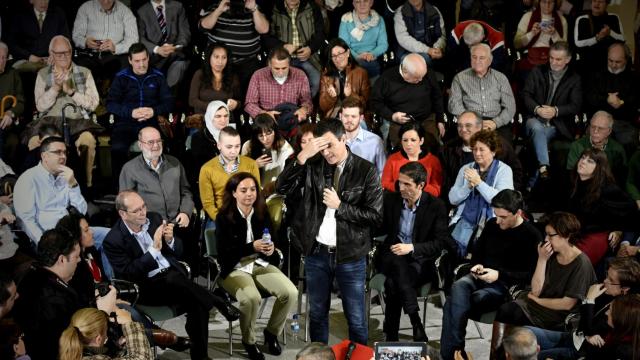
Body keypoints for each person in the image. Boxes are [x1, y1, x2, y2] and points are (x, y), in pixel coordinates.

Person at [276, 118, 383, 344]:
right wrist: (302, 156)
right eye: (322, 148)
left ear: (344, 139)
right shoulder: (313, 165)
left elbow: (375, 217)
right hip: (317, 253)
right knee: (316, 315)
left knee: (355, 319)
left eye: (331, 145)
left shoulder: (366, 170)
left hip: (351, 255)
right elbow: (281, 187)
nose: (327, 153)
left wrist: (340, 207)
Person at [103, 190, 240, 360]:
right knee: (174, 279)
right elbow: (130, 273)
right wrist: (153, 251)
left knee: (196, 302)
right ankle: (217, 301)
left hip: (176, 280)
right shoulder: (113, 240)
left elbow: (177, 253)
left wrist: (170, 240)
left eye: (143, 206)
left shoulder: (154, 219)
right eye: (136, 210)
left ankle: (200, 357)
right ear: (123, 214)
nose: (143, 212)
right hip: (147, 288)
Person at [59, 212, 189, 352]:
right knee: (129, 312)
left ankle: (159, 337)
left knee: (130, 310)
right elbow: (84, 298)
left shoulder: (92, 252)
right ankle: (160, 337)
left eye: (89, 228)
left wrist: (114, 298)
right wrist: (109, 304)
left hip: (107, 300)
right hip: (93, 313)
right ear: (75, 237)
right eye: (86, 230)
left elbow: (103, 282)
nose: (91, 232)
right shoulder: (74, 266)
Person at [440, 190, 542, 360]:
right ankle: (457, 351)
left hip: (504, 285)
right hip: (480, 277)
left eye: (503, 217)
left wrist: (499, 275)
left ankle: (453, 355)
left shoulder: (532, 235)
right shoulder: (492, 225)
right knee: (459, 286)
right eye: (496, 215)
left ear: (517, 213)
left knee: (456, 303)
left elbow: (529, 275)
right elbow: (477, 254)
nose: (498, 220)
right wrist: (477, 265)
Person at [215, 172, 297, 360]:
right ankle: (249, 341)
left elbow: (273, 241)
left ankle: (271, 333)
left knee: (290, 292)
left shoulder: (262, 212)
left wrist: (271, 249)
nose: (249, 194)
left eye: (253, 189)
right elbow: (224, 255)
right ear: (234, 193)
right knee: (251, 298)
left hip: (259, 263)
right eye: (243, 190)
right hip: (234, 267)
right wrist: (251, 246)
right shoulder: (223, 217)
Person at [491, 212, 596, 357]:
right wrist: (542, 260)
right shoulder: (550, 254)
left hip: (558, 316)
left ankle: (506, 355)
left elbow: (567, 304)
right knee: (507, 310)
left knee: (511, 314)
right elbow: (535, 290)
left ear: (565, 235)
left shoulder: (581, 264)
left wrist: (537, 300)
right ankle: (499, 356)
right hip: (536, 306)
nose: (546, 239)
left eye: (550, 235)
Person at [13, 229, 118, 360]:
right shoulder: (55, 300)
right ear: (62, 259)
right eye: (76, 256)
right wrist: (103, 313)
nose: (79, 260)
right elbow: (77, 343)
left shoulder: (28, 273)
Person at [379, 161, 452, 342]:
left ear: (420, 185)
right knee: (396, 260)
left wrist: (411, 248)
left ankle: (391, 336)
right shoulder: (391, 200)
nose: (401, 188)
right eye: (399, 182)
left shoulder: (436, 206)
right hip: (391, 255)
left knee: (392, 284)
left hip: (419, 260)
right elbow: (379, 228)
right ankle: (415, 321)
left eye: (407, 184)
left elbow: (440, 242)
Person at [526, 257, 640, 359]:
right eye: (607, 275)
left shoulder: (624, 313)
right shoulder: (607, 292)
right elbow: (585, 326)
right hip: (574, 336)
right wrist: (588, 332)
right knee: (526, 332)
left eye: (611, 280)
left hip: (580, 351)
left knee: (534, 356)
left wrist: (589, 301)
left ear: (625, 289)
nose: (605, 281)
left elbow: (592, 334)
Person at [13, 137, 109, 252]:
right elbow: (25, 220)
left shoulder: (67, 176)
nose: (63, 156)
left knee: (111, 237)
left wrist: (73, 184)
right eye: (58, 152)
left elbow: (81, 211)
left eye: (64, 152)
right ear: (44, 156)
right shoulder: (28, 179)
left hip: (72, 231)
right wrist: (43, 243)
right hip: (48, 237)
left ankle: (102, 270)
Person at [32, 35, 102, 190]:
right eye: (58, 54)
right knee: (34, 143)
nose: (63, 56)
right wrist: (55, 88)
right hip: (50, 122)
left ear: (71, 52)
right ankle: (45, 186)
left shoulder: (85, 72)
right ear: (51, 54)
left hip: (78, 122)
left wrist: (71, 91)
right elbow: (40, 106)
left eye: (67, 52)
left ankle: (85, 186)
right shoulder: (43, 74)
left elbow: (93, 104)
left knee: (87, 141)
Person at [106, 43, 173, 186]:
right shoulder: (121, 77)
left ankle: (158, 186)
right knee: (117, 148)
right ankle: (121, 188)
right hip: (126, 121)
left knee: (158, 148)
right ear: (130, 60)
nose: (141, 64)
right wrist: (131, 113)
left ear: (148, 58)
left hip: (151, 122)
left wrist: (153, 111)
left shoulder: (158, 76)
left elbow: (169, 103)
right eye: (137, 61)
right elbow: (111, 104)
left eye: (144, 59)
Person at [522, 41, 581, 181]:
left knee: (540, 138)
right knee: (537, 127)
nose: (553, 62)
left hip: (555, 124)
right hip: (534, 119)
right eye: (551, 58)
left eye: (558, 59)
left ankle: (534, 182)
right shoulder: (538, 71)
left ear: (568, 59)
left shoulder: (574, 78)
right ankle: (544, 166)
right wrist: (537, 109)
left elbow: (575, 105)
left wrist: (555, 111)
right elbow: (526, 94)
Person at [448, 130, 514, 257]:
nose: (477, 153)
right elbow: (452, 199)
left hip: (493, 223)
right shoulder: (466, 169)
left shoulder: (504, 170)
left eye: (482, 149)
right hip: (464, 221)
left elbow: (503, 202)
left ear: (493, 151)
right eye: (474, 149)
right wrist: (468, 186)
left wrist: (479, 183)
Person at [567, 148, 637, 265]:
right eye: (583, 158)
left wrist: (619, 229)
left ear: (598, 168)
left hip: (595, 236)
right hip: (573, 233)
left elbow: (632, 210)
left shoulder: (607, 189)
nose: (583, 162)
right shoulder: (572, 182)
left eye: (590, 161)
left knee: (573, 262)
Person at [119, 127, 194, 228]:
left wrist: (186, 212)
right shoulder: (129, 169)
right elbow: (126, 204)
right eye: (150, 142)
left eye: (159, 141)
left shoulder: (175, 163)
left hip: (177, 224)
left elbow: (186, 192)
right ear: (140, 145)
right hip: (148, 228)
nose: (156, 145)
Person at [440, 111, 523, 201]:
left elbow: (516, 173)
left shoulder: (499, 145)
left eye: (468, 125)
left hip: (494, 205)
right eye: (460, 125)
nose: (463, 129)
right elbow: (448, 186)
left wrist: (510, 198)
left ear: (479, 127)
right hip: (463, 203)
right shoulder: (448, 149)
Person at [371, 53, 445, 148]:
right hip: (399, 122)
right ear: (405, 71)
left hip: (426, 119)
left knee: (433, 147)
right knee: (402, 150)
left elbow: (437, 96)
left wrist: (440, 120)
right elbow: (375, 102)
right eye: (417, 78)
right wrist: (392, 116)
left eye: (423, 76)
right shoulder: (386, 79)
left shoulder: (425, 73)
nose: (421, 79)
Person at [448, 43, 516, 143]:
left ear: (489, 61)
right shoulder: (460, 78)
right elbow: (454, 105)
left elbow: (510, 107)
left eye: (482, 58)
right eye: (474, 57)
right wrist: (472, 123)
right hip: (470, 123)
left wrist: (495, 123)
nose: (477, 61)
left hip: (494, 122)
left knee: (503, 145)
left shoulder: (501, 78)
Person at [199, 0, 269, 92]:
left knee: (247, 93)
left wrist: (254, 9)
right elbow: (204, 26)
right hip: (219, 62)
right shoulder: (215, 6)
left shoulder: (254, 7)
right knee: (220, 94)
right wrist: (219, 10)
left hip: (248, 62)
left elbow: (264, 30)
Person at [199, 126, 260, 228]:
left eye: (237, 146)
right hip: (221, 216)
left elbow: (256, 194)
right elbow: (208, 204)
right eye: (229, 147)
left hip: (248, 214)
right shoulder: (207, 169)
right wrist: (221, 221)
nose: (233, 151)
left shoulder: (251, 164)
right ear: (219, 145)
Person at [586, 43, 639, 154]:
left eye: (618, 62)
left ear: (626, 60)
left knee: (628, 142)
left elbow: (635, 99)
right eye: (610, 61)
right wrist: (607, 99)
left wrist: (621, 102)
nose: (614, 65)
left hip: (623, 123)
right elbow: (590, 98)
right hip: (598, 122)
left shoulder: (634, 77)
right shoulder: (596, 75)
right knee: (590, 142)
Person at [264, 0, 325, 97]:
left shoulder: (312, 7)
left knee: (316, 81)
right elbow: (266, 37)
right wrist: (282, 47)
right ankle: (289, 108)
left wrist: (310, 48)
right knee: (280, 86)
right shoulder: (273, 8)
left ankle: (304, 106)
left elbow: (321, 33)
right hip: (282, 58)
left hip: (307, 57)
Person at [244, 47, 313, 127]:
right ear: (269, 64)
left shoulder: (300, 75)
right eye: (276, 68)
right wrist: (264, 114)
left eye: (284, 68)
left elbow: (307, 101)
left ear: (289, 64)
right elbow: (249, 104)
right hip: (267, 120)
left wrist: (304, 109)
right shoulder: (258, 75)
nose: (280, 72)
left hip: (291, 118)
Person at [72, 0, 138, 82]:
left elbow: (133, 40)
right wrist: (85, 42)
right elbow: (76, 36)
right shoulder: (85, 8)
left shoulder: (125, 12)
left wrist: (115, 48)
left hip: (115, 55)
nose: (106, 1)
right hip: (89, 55)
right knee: (80, 69)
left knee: (126, 68)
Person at [58, 307, 153, 360]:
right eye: (106, 332)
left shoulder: (69, 352)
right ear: (98, 339)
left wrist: (118, 347)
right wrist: (129, 323)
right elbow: (142, 357)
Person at [136, 0, 191, 88]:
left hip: (175, 54)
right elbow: (140, 38)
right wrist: (157, 49)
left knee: (179, 69)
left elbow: (184, 33)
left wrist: (176, 47)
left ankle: (169, 94)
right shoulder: (142, 12)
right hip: (154, 58)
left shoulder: (178, 6)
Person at [6, 0, 69, 72]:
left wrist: (55, 55)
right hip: (26, 59)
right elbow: (11, 43)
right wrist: (29, 56)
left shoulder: (58, 13)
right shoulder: (20, 15)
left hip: (52, 59)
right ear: (31, 1)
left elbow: (65, 39)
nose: (43, 2)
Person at [382, 121, 443, 196]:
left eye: (413, 140)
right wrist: (401, 185)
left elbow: (437, 191)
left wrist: (417, 185)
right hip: (398, 201)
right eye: (405, 140)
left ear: (421, 141)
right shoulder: (393, 159)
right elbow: (384, 184)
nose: (408, 144)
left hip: (425, 203)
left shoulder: (433, 161)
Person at [566, 111, 627, 184]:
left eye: (600, 128)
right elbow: (572, 174)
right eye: (593, 127)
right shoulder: (577, 146)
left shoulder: (617, 149)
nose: (595, 131)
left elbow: (621, 177)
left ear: (609, 131)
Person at [241, 114, 294, 196]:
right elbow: (240, 176)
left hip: (277, 194)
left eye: (268, 133)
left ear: (275, 131)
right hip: (253, 193)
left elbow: (288, 179)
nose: (265, 139)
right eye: (261, 135)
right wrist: (254, 165)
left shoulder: (285, 148)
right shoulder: (248, 146)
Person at [319, 38, 370, 120]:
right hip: (335, 116)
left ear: (348, 53)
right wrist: (331, 97)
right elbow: (323, 107)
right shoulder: (326, 76)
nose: (337, 58)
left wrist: (351, 95)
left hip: (354, 115)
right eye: (334, 56)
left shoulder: (361, 73)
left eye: (340, 53)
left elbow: (365, 105)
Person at [338, 0, 388, 77]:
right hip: (351, 57)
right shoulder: (346, 20)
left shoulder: (379, 20)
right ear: (353, 4)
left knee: (371, 67)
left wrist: (371, 54)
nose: (362, 4)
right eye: (358, 1)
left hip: (372, 57)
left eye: (365, 1)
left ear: (371, 3)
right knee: (357, 67)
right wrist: (356, 56)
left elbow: (383, 44)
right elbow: (343, 44)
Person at [513, 0, 568, 71]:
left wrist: (555, 35)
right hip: (531, 60)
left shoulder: (562, 20)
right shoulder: (527, 17)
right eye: (544, 2)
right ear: (539, 2)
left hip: (553, 61)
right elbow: (516, 44)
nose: (547, 5)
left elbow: (565, 49)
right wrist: (531, 33)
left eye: (551, 2)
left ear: (555, 3)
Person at [188, 44, 241, 115]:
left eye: (224, 57)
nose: (220, 62)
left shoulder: (233, 77)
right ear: (209, 57)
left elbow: (239, 102)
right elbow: (192, 101)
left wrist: (236, 104)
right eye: (216, 57)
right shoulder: (199, 74)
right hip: (203, 118)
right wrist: (214, 108)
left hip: (224, 119)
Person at [339, 96, 386, 174]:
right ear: (340, 116)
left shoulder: (375, 141)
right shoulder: (334, 140)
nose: (349, 120)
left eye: (353, 116)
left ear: (361, 118)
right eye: (346, 116)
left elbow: (382, 172)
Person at [574, 0, 624, 71]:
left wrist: (610, 32)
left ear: (607, 4)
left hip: (609, 63)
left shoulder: (614, 18)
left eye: (601, 1)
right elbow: (578, 43)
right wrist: (597, 38)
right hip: (587, 64)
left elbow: (622, 40)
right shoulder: (582, 19)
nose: (597, 4)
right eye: (594, 1)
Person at [393, 0, 445, 66]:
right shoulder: (400, 12)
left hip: (431, 50)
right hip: (407, 52)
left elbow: (441, 35)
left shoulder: (434, 10)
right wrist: (428, 50)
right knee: (423, 60)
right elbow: (403, 39)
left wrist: (437, 48)